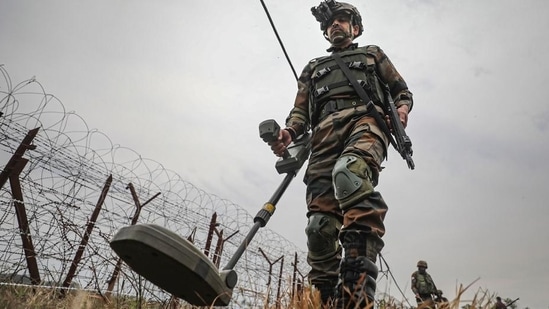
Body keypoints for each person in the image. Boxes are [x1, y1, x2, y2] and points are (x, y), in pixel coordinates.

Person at [267, 0, 413, 307]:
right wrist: (288, 133)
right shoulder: (313, 68)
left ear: (354, 28)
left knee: (349, 173)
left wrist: (400, 111)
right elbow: (299, 113)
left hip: (365, 121)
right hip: (322, 136)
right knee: (319, 226)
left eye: (342, 20)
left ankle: (356, 285)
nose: (335, 24)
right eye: (330, 22)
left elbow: (402, 91)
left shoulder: (371, 54)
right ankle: (323, 298)